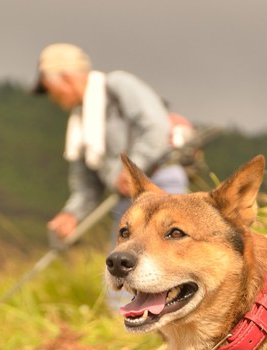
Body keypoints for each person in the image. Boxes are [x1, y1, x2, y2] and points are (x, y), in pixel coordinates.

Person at [32, 42, 188, 243]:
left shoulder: (118, 85)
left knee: (167, 258)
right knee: (120, 264)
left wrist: (132, 171)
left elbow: (156, 126)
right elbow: (86, 182)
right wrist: (72, 214)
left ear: (66, 78)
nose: (51, 97)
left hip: (162, 186)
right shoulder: (80, 123)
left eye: (49, 88)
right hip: (129, 201)